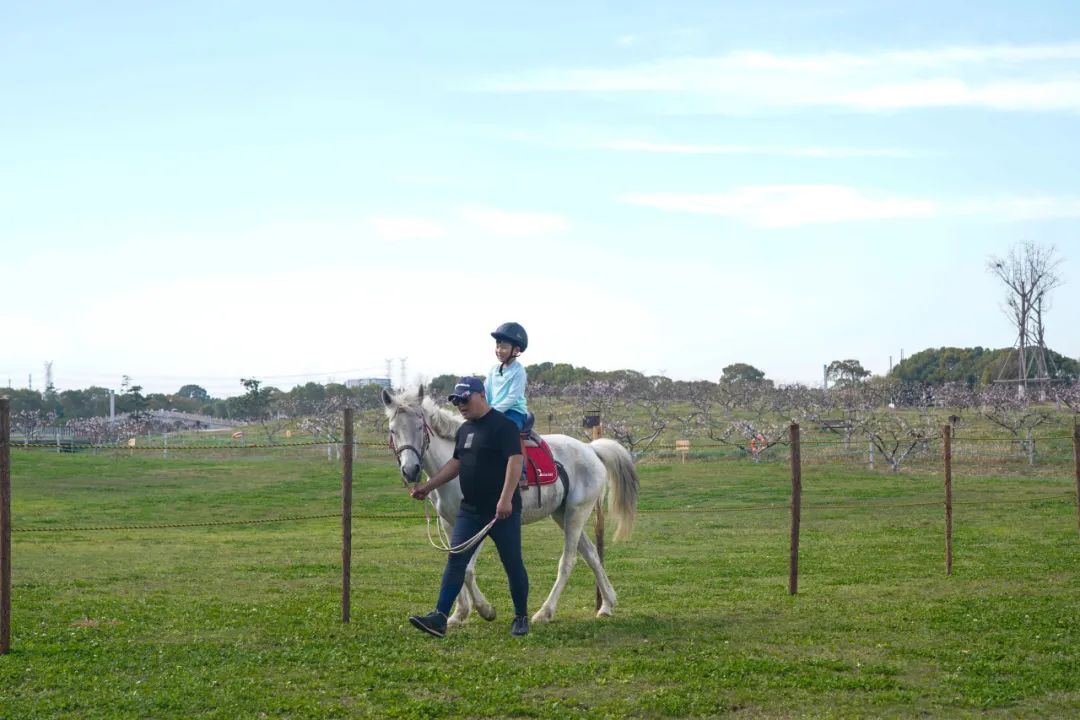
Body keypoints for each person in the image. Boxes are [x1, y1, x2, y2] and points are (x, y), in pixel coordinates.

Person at [407, 376, 529, 638]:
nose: (460, 405)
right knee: (456, 560)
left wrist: (506, 498)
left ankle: (521, 617)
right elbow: (456, 464)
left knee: (512, 564)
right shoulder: (465, 430)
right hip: (471, 510)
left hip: (501, 512)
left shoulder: (503, 426)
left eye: (465, 399)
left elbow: (515, 462)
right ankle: (439, 617)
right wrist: (428, 486)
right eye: (456, 401)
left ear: (480, 396)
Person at [486, 322, 529, 432]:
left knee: (505, 431)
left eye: (504, 347)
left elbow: (512, 398)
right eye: (497, 346)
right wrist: (484, 409)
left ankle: (513, 449)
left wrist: (492, 412)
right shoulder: (493, 370)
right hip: (493, 411)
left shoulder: (519, 371)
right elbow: (486, 392)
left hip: (514, 412)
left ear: (516, 350)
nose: (499, 350)